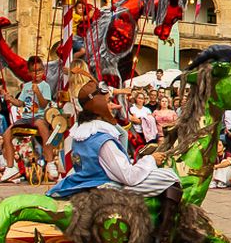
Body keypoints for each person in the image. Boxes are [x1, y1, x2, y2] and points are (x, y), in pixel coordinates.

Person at [49, 81, 183, 201]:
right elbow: (128, 176)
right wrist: (151, 159)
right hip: (102, 187)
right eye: (108, 102)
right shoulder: (102, 139)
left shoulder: (80, 133)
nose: (113, 106)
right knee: (168, 176)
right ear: (99, 106)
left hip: (85, 182)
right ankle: (165, 224)